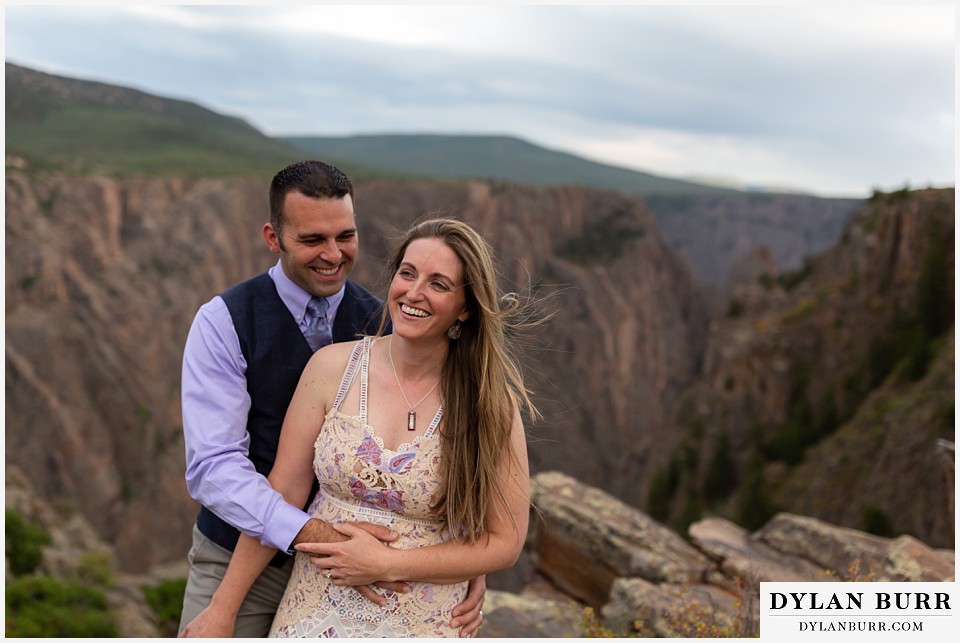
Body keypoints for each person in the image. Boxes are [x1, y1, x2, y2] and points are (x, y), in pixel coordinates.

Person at [180, 217, 535, 637]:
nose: (414, 293)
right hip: (314, 605)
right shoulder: (333, 367)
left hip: (422, 617)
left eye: (439, 284)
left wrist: (391, 563)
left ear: (466, 306)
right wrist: (223, 608)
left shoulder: (489, 405)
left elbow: (505, 542)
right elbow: (284, 491)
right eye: (408, 273)